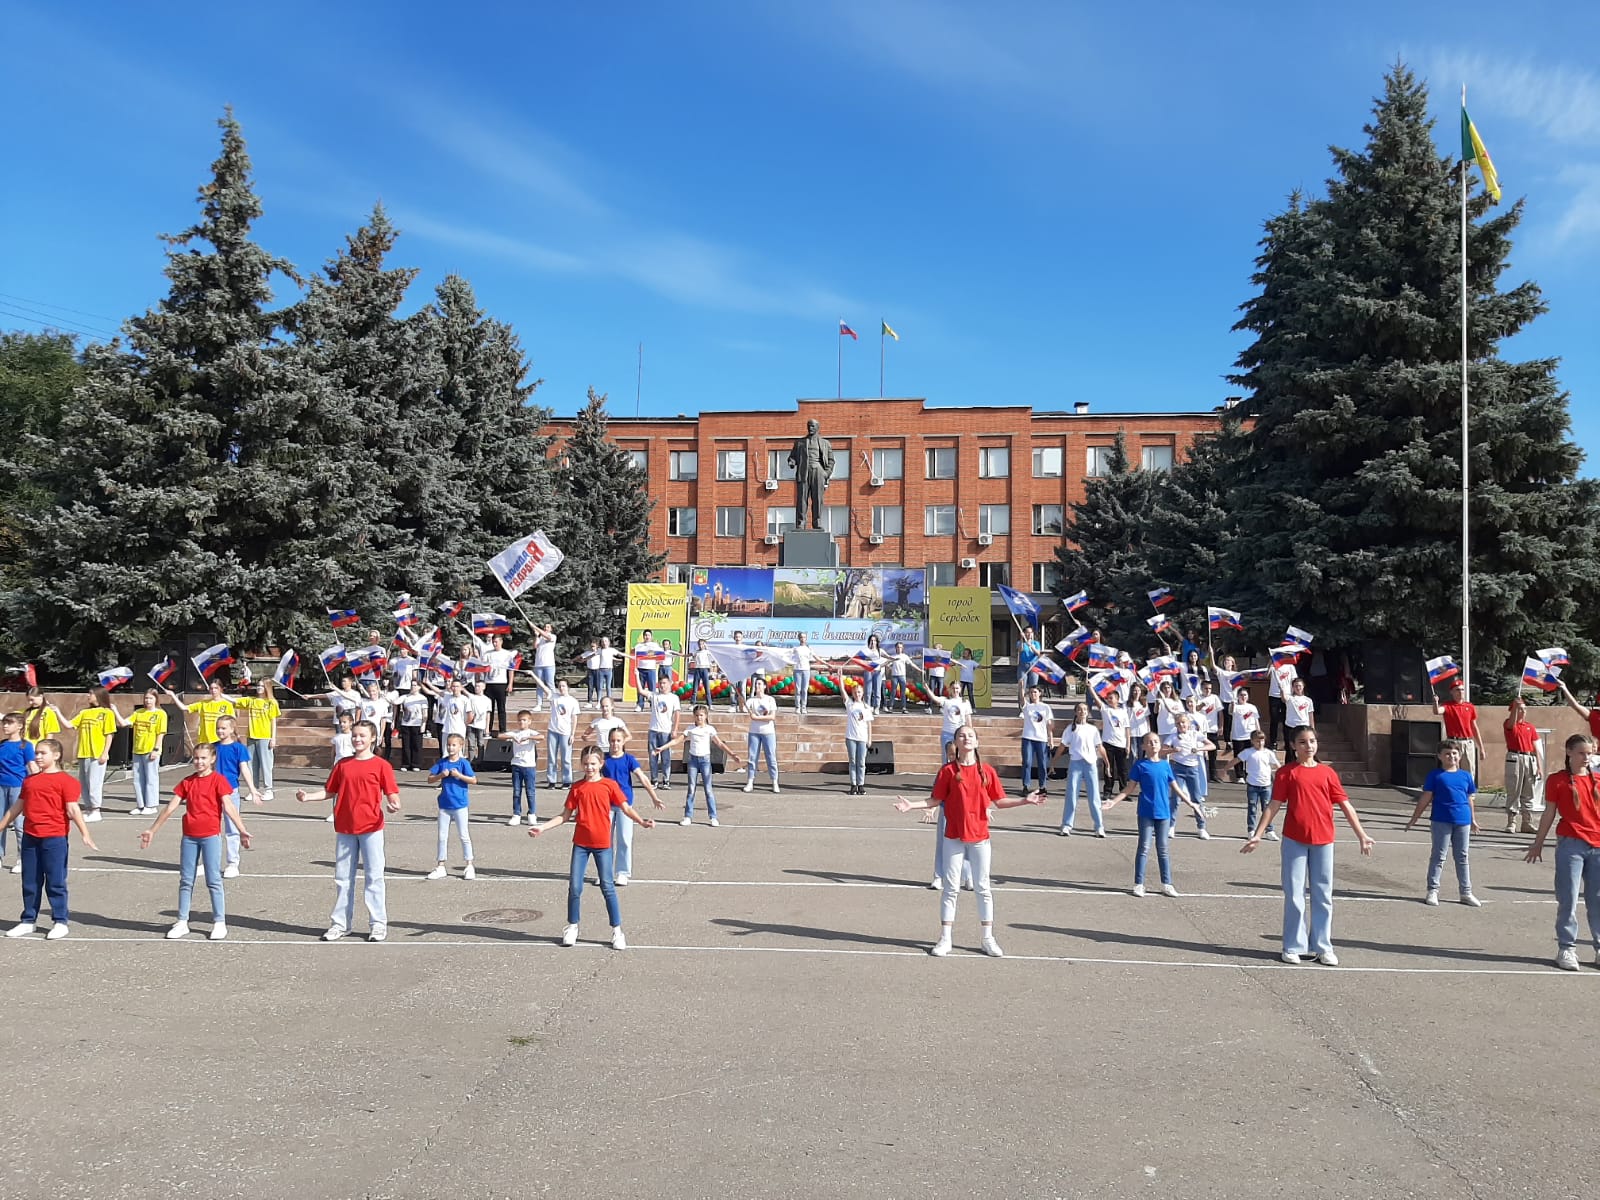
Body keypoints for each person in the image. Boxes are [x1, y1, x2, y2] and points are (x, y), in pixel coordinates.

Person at [893, 726, 1044, 957]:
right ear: (955, 742)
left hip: (980, 837)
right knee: (951, 889)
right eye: (962, 736)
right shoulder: (947, 771)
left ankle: (987, 938)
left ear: (977, 741)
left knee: (983, 888)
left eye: (971, 735)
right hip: (954, 837)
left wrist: (1025, 800)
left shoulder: (987, 771)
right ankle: (945, 939)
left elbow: (1000, 801)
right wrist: (911, 805)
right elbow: (935, 800)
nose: (967, 738)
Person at [1241, 727, 1375, 966]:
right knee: (1295, 895)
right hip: (1294, 840)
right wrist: (1258, 834)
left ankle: (1323, 946)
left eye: (1312, 741)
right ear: (1293, 746)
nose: (1309, 746)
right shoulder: (1286, 773)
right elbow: (1273, 805)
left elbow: (1345, 805)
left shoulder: (1327, 773)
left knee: (1323, 895)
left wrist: (1362, 835)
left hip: (1324, 840)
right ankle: (1293, 946)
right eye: (1302, 742)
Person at [528, 744, 656, 950]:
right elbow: (564, 816)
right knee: (575, 887)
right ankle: (572, 927)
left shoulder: (609, 785)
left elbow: (625, 808)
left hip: (602, 844)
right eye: (586, 764)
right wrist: (542, 828)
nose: (589, 767)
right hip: (581, 844)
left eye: (593, 764)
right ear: (581, 765)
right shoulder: (577, 787)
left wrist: (641, 821)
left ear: (601, 764)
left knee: (608, 887)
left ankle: (617, 931)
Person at [296, 720, 401, 942]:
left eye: (362, 735)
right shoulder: (343, 764)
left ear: (373, 738)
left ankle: (378, 924)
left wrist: (393, 805)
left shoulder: (381, 765)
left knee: (374, 876)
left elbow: (392, 795)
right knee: (343, 878)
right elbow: (329, 791)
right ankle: (340, 924)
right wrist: (307, 797)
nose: (357, 739)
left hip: (371, 828)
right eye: (354, 735)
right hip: (345, 827)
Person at [138, 742, 252, 940]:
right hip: (189, 837)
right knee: (186, 880)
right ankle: (182, 921)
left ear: (212, 759)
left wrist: (242, 830)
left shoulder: (218, 780)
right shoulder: (187, 782)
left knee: (213, 880)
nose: (199, 762)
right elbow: (170, 807)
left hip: (210, 836)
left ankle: (219, 922)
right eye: (196, 758)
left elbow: (229, 807)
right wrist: (152, 830)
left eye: (203, 758)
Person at [2, 738, 97, 940]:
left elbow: (73, 809)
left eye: (42, 753)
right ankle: (28, 920)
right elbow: (18, 806)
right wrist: (1, 825)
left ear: (56, 755)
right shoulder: (29, 781)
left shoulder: (67, 781)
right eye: (36, 752)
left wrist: (85, 834)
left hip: (54, 838)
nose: (38, 756)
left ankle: (60, 921)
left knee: (55, 881)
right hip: (30, 837)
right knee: (30, 881)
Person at [1524, 733, 1600, 971]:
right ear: (1569, 752)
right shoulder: (1557, 780)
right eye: (1581, 753)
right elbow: (1549, 813)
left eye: (1589, 753)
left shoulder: (1598, 779)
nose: (1586, 757)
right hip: (1571, 844)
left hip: (1598, 846)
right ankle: (1566, 948)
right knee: (1568, 897)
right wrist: (1538, 843)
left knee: (1597, 900)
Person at [1102, 732, 1206, 896]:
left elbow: (1176, 788)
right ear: (1144, 746)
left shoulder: (1165, 765)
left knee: (1163, 849)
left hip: (1163, 812)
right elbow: (1129, 788)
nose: (1153, 744)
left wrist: (1191, 803)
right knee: (1144, 847)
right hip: (1146, 811)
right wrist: (1113, 802)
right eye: (1149, 742)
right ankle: (1139, 883)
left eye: (1156, 741)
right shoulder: (1140, 765)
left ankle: (1167, 884)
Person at [1403, 740, 1482, 907]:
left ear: (1459, 755)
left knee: (1462, 857)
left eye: (1454, 753)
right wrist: (1414, 818)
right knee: (1439, 855)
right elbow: (1425, 798)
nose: (1451, 756)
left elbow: (1469, 799)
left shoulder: (1466, 776)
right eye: (1447, 753)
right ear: (1439, 756)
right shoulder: (1435, 775)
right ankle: (1432, 890)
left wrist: (1473, 819)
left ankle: (1466, 892)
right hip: (1441, 821)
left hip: (1463, 821)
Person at [661, 705, 741, 825]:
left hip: (705, 760)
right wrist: (662, 748)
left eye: (701, 715)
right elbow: (677, 740)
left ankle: (713, 817)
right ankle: (688, 816)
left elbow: (719, 743)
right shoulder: (690, 729)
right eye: (697, 715)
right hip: (693, 760)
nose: (699, 718)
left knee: (708, 789)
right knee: (691, 788)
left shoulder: (710, 729)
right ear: (694, 716)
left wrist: (732, 754)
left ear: (706, 716)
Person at [603, 726, 662, 887]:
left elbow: (642, 778)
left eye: (618, 740)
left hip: (625, 805)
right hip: (606, 805)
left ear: (623, 742)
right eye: (612, 740)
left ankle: (622, 873)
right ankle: (605, 873)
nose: (615, 744)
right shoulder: (603, 759)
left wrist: (654, 797)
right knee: (604, 841)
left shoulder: (629, 759)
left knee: (624, 839)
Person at [212, 716, 262, 877]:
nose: (220, 731)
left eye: (223, 728)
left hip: (230, 792)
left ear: (232, 729)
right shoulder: (212, 747)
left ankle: (233, 863)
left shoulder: (238, 748)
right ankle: (209, 862)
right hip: (212, 792)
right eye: (218, 728)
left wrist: (252, 789)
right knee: (211, 829)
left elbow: (245, 769)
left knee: (232, 828)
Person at [67, 684, 125, 822]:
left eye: (91, 693)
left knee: (94, 783)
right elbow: (69, 725)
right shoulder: (84, 712)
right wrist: (56, 711)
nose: (88, 696)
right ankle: (88, 808)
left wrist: (105, 753)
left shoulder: (107, 713)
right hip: (84, 752)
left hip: (97, 753)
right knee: (84, 783)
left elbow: (109, 734)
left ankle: (96, 810)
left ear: (98, 696)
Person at [427, 733, 477, 880]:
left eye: (454, 745)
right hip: (444, 805)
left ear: (460, 746)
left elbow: (473, 780)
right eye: (448, 745)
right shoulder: (442, 762)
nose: (450, 748)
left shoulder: (463, 763)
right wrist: (440, 776)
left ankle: (469, 865)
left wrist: (459, 776)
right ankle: (441, 865)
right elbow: (429, 779)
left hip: (460, 805)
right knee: (442, 836)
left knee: (464, 835)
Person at [1057, 702, 1109, 837]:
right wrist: (1053, 762)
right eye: (1079, 709)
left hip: (1090, 764)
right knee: (1072, 795)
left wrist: (1107, 763)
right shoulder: (1070, 729)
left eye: (1085, 709)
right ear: (1076, 712)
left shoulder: (1093, 729)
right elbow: (1062, 746)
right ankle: (1067, 825)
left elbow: (1100, 747)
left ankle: (1099, 826)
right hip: (1076, 763)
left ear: (1088, 712)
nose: (1082, 712)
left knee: (1094, 796)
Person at [1162, 712, 1213, 840]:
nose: (1181, 725)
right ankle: (1171, 826)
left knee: (1196, 798)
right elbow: (1162, 750)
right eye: (1178, 723)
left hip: (1192, 769)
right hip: (1177, 768)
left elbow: (1212, 745)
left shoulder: (1195, 734)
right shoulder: (1173, 736)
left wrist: (1199, 749)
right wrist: (1173, 750)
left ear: (1188, 723)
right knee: (1175, 798)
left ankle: (1201, 827)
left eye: (1183, 722)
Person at [0, 713, 37, 874]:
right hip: (1, 787)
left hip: (18, 788)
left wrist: (38, 785)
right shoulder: (2, 744)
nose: (5, 726)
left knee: (19, 825)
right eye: (4, 723)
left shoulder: (25, 746)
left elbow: (32, 767)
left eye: (9, 723)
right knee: (0, 823)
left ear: (20, 726)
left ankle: (22, 859)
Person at [1503, 696, 1545, 834]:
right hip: (1515, 757)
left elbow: (1535, 747)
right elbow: (1510, 724)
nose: (1523, 712)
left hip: (1529, 758)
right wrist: (1515, 707)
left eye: (1524, 709)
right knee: (1514, 789)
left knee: (1529, 791)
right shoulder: (1510, 724)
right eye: (1520, 709)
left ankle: (1527, 822)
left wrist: (1539, 766)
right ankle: (1512, 821)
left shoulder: (1530, 727)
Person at [236, 680, 280, 799]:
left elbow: (273, 721)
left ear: (267, 688)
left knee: (266, 765)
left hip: (265, 737)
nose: (259, 688)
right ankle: (253, 790)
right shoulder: (252, 701)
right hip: (251, 736)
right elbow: (234, 701)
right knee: (251, 764)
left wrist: (273, 738)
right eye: (258, 685)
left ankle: (268, 790)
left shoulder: (271, 703)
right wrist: (220, 695)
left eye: (262, 686)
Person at [496, 709, 541, 826]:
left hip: (529, 766)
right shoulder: (515, 733)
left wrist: (529, 738)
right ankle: (516, 814)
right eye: (520, 720)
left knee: (530, 791)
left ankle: (532, 814)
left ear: (529, 721)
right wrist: (513, 737)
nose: (522, 722)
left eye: (524, 720)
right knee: (517, 791)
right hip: (516, 765)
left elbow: (541, 737)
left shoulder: (531, 733)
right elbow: (500, 736)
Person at [1432, 678, 1484, 778]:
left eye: (1462, 689)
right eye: (1457, 690)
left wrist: (1481, 748)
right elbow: (1437, 711)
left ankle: (1468, 788)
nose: (1460, 692)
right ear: (1451, 692)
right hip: (1453, 742)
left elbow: (1474, 727)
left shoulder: (1469, 706)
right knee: (1452, 769)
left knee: (1469, 771)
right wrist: (1435, 703)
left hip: (1467, 742)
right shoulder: (1447, 706)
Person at [128, 689, 169, 816]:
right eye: (146, 698)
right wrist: (115, 711)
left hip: (151, 750)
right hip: (137, 749)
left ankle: (151, 805)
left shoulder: (160, 714)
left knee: (151, 778)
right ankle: (140, 805)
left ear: (156, 699)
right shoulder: (138, 712)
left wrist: (156, 749)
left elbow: (161, 733)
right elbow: (126, 722)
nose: (148, 701)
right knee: (137, 779)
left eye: (151, 698)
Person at [1237, 729, 1280, 841]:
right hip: (1252, 785)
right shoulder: (1248, 752)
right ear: (1252, 741)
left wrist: (1282, 775)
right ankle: (1251, 830)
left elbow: (1277, 765)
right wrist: (1225, 768)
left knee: (1267, 808)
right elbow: (1237, 759)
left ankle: (1269, 830)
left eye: (1262, 741)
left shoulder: (1268, 753)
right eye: (1257, 741)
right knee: (1252, 807)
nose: (1260, 743)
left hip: (1266, 785)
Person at [740, 677, 780, 794]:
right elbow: (743, 709)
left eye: (759, 684)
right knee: (752, 758)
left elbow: (772, 717)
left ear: (764, 686)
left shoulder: (770, 700)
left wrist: (757, 718)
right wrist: (740, 700)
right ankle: (750, 781)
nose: (757, 686)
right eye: (756, 684)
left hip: (768, 732)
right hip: (754, 732)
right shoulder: (752, 700)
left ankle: (774, 781)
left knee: (771, 757)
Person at [643, 674, 682, 789]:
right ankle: (654, 780)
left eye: (664, 683)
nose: (662, 685)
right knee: (653, 757)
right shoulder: (655, 695)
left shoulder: (674, 698)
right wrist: (636, 675)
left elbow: (677, 714)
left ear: (670, 683)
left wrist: (675, 729)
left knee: (666, 757)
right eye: (660, 683)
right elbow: (641, 691)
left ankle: (666, 780)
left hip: (666, 731)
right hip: (653, 730)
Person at [171, 678, 236, 746]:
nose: (213, 690)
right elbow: (184, 708)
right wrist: (172, 695)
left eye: (216, 688)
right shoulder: (203, 703)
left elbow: (232, 722)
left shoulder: (227, 705)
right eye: (211, 688)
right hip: (204, 741)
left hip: (219, 741)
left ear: (221, 689)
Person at [544, 678, 580, 788]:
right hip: (553, 730)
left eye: (563, 686)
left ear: (568, 687)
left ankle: (567, 780)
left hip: (566, 732)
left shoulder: (573, 701)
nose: (561, 688)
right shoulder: (554, 697)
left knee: (566, 758)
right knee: (552, 757)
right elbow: (544, 687)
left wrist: (572, 734)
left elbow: (574, 718)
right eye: (559, 686)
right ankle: (552, 780)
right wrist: (532, 674)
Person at [1019, 685, 1053, 797]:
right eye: (1031, 692)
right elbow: (1021, 699)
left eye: (1035, 692)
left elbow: (1049, 725)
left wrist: (1050, 739)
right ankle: (1026, 786)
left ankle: (1042, 786)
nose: (1033, 694)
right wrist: (1020, 687)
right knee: (1027, 762)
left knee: (1042, 763)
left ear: (1040, 693)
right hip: (1028, 738)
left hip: (1041, 739)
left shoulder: (1045, 707)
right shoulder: (1027, 707)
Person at [843, 679, 874, 795]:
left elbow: (869, 724)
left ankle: (861, 784)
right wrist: (840, 680)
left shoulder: (866, 707)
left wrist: (869, 739)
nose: (857, 694)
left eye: (859, 692)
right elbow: (842, 692)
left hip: (862, 738)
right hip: (851, 737)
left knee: (861, 762)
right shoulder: (850, 704)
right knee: (852, 761)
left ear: (862, 693)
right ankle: (853, 785)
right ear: (852, 693)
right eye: (855, 692)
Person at [394, 678, 430, 773]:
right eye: (412, 685)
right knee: (406, 745)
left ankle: (416, 764)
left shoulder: (422, 698)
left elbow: (425, 713)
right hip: (406, 723)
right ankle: (406, 764)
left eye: (415, 685)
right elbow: (395, 702)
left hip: (417, 724)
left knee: (416, 745)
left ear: (419, 687)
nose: (413, 687)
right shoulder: (405, 697)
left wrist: (423, 724)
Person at [485, 634, 517, 732]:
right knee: (489, 708)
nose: (495, 644)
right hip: (489, 683)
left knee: (501, 708)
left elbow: (511, 669)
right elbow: (483, 668)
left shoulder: (507, 654)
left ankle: (502, 729)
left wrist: (510, 684)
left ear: (501, 642)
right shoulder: (488, 653)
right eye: (493, 642)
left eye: (496, 642)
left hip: (501, 683)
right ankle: (488, 729)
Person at [1228, 687, 1262, 781]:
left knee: (1251, 756)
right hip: (1238, 735)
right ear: (1238, 696)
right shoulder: (1235, 706)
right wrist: (1232, 701)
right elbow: (1230, 711)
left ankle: (1249, 774)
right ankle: (1240, 776)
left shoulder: (1252, 707)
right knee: (1239, 756)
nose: (1243, 697)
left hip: (1250, 735)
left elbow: (1256, 720)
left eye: (1245, 695)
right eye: (1241, 695)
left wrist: (1258, 732)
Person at [936, 678, 972, 764]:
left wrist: (970, 733)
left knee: (961, 754)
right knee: (946, 756)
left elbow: (968, 719)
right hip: (947, 732)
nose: (955, 690)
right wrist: (927, 690)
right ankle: (946, 770)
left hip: (960, 733)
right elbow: (935, 698)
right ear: (950, 689)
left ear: (960, 689)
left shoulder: (965, 702)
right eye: (953, 688)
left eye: (957, 688)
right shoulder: (946, 701)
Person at [1281, 677, 1315, 755]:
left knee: (1304, 748)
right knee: (1290, 750)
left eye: (1300, 686)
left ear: (1303, 686)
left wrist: (1312, 728)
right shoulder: (1290, 698)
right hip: (1290, 726)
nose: (1298, 688)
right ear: (1293, 687)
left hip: (1304, 726)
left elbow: (1310, 715)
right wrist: (1282, 688)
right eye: (1296, 686)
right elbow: (1283, 698)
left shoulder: (1308, 700)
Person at [531, 624, 558, 712]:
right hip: (538, 664)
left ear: (551, 629)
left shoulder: (553, 636)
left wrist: (536, 628)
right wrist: (536, 636)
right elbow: (535, 646)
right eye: (545, 627)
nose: (546, 628)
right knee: (539, 685)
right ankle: (539, 704)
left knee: (550, 684)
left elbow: (547, 637)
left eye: (548, 627)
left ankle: (553, 703)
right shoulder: (540, 637)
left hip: (549, 664)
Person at [857, 634, 886, 712]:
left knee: (877, 692)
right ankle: (867, 707)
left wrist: (882, 665)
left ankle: (876, 707)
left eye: (874, 640)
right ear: (869, 642)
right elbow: (859, 658)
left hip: (877, 672)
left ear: (877, 642)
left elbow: (888, 658)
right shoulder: (866, 651)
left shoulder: (880, 651)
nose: (873, 642)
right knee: (868, 692)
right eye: (871, 640)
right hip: (868, 671)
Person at [465, 679, 492, 760]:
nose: (477, 688)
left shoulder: (487, 700)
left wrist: (487, 727)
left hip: (481, 725)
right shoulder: (471, 697)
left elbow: (488, 714)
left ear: (484, 687)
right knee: (471, 744)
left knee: (480, 744)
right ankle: (471, 760)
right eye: (476, 686)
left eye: (479, 686)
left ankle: (480, 761)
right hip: (471, 724)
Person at [791, 632, 815, 713]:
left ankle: (803, 707)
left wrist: (827, 664)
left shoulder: (809, 649)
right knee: (798, 689)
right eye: (801, 637)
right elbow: (787, 655)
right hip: (797, 670)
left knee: (804, 690)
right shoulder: (796, 649)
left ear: (806, 639)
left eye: (804, 637)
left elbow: (816, 657)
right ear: (799, 638)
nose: (802, 639)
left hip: (806, 670)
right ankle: (797, 707)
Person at [690, 639, 714, 708]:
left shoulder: (707, 651)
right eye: (699, 644)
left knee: (707, 688)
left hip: (705, 669)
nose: (701, 645)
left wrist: (712, 671)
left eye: (702, 644)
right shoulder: (696, 652)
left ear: (705, 644)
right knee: (695, 688)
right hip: (697, 669)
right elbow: (692, 657)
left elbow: (712, 658)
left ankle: (709, 704)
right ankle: (692, 704)